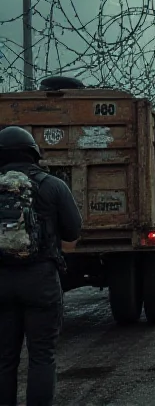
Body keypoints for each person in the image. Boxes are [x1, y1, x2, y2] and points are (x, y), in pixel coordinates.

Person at [0, 126, 82, 406]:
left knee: (4, 360)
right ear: (33, 153)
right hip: (40, 280)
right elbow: (73, 231)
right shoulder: (52, 185)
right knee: (41, 356)